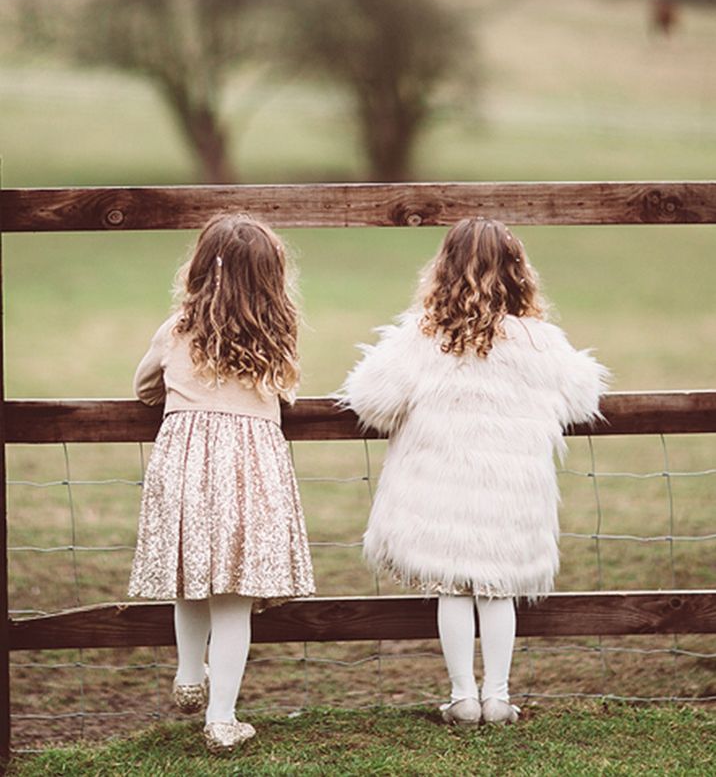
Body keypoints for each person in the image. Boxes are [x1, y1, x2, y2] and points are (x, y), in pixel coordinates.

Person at [340, 218, 608, 727]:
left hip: (442, 485)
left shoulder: (422, 339)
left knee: (453, 588)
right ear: (518, 273)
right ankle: (499, 696)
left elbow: (371, 399)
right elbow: (582, 396)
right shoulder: (539, 343)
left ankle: (462, 695)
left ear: (443, 270)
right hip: (511, 490)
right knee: (498, 588)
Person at [129, 213, 314, 755]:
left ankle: (189, 673)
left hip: (185, 462)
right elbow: (288, 396)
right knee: (233, 597)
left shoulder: (176, 329)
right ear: (271, 277)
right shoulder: (276, 334)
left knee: (191, 574)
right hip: (249, 470)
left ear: (199, 268)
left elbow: (144, 388)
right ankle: (222, 719)